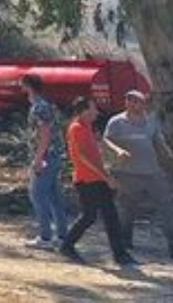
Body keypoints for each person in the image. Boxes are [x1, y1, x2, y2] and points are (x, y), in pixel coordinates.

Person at [59, 96, 136, 266]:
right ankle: (67, 245)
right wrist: (106, 178)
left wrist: (118, 151)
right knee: (90, 216)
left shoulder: (87, 126)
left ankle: (120, 255)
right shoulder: (76, 128)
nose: (97, 112)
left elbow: (101, 140)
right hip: (87, 180)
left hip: (96, 178)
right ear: (84, 110)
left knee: (108, 215)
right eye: (93, 109)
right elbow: (83, 156)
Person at [103, 89, 173, 258]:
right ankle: (124, 242)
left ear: (144, 103)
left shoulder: (150, 121)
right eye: (130, 100)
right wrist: (118, 151)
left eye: (137, 101)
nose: (134, 104)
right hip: (127, 174)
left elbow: (159, 144)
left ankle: (172, 244)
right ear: (126, 102)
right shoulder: (116, 122)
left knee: (167, 206)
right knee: (127, 210)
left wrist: (170, 158)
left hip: (152, 172)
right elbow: (106, 140)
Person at [21, 73, 68, 248]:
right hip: (54, 156)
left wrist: (38, 158)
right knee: (55, 196)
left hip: (46, 157)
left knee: (37, 194)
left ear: (27, 86)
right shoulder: (47, 105)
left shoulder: (39, 107)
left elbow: (45, 133)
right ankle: (62, 235)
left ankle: (45, 236)